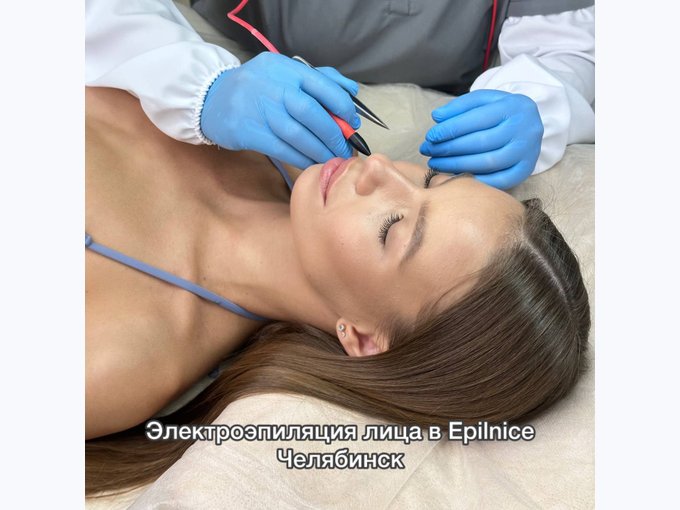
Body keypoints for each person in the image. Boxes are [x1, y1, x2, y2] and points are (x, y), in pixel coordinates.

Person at [85, 86, 590, 495]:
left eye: (392, 227)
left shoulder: (116, 362)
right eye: (431, 180)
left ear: (365, 339)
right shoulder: (277, 120)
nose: (379, 169)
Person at [85, 0, 595, 190]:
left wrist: (541, 99)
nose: (379, 170)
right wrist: (194, 81)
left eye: (401, 228)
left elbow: (572, 49)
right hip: (207, 39)